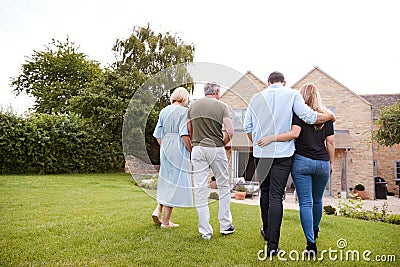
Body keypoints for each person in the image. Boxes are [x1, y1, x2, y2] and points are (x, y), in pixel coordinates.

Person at [243, 72, 335, 256]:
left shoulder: (256, 97)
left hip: (262, 153)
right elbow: (309, 117)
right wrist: (330, 116)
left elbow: (248, 128)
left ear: (268, 82)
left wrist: (258, 143)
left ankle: (267, 231)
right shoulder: (292, 94)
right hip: (284, 155)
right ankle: (273, 246)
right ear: (284, 82)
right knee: (276, 196)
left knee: (265, 192)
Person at [188, 82, 235, 240]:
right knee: (223, 186)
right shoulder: (222, 106)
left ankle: (205, 232)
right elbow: (230, 131)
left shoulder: (192, 106)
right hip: (216, 148)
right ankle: (225, 225)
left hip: (198, 148)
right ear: (217, 91)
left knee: (200, 189)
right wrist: (223, 142)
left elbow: (189, 130)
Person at [152, 87, 193, 228]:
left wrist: (165, 146)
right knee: (175, 183)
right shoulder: (185, 112)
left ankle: (158, 209)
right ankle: (166, 222)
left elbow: (157, 135)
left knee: (166, 180)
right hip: (178, 148)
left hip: (165, 147)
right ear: (185, 98)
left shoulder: (164, 111)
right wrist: (191, 150)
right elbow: (184, 135)